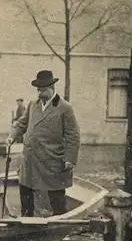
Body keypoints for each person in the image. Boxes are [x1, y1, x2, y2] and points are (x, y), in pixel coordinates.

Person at [6, 70, 80, 217]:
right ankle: (26, 218)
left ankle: (60, 220)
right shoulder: (33, 104)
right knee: (25, 188)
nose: (39, 93)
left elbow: (73, 135)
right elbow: (22, 123)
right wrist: (12, 136)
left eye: (43, 90)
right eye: (38, 90)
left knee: (56, 193)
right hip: (30, 157)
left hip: (51, 158)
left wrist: (70, 159)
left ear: (52, 88)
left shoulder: (65, 108)